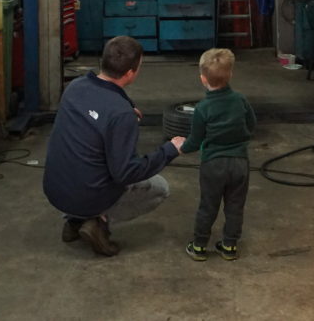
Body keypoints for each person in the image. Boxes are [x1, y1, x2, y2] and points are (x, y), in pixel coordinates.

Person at [43, 35, 185, 257]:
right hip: (86, 195)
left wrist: (126, 110)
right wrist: (170, 150)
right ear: (130, 73)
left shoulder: (75, 86)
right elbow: (126, 172)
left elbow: (99, 108)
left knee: (87, 160)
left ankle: (73, 220)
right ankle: (98, 223)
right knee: (159, 188)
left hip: (55, 189)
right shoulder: (120, 115)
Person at [181, 48, 256, 262]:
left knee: (208, 205)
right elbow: (252, 125)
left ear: (203, 79)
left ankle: (198, 246)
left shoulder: (203, 109)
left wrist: (180, 147)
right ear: (230, 74)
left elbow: (195, 140)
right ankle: (229, 246)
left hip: (213, 165)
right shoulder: (240, 100)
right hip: (240, 163)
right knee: (235, 206)